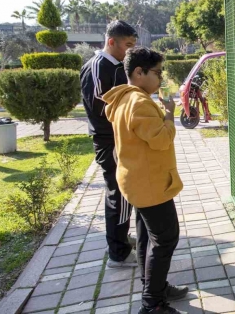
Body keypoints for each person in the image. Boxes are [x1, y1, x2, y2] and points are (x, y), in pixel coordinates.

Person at [102, 47, 187, 314]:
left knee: (146, 239)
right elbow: (162, 139)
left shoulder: (125, 99)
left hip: (136, 181)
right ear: (139, 72)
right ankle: (152, 304)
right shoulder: (139, 102)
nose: (160, 79)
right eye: (157, 73)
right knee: (165, 239)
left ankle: (155, 288)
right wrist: (170, 114)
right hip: (150, 185)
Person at [80, 20, 138, 268]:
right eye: (127, 45)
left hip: (121, 138)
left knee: (125, 191)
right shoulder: (96, 66)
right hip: (109, 141)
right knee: (120, 193)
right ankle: (118, 253)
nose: (130, 50)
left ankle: (121, 239)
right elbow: (98, 105)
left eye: (133, 45)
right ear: (111, 41)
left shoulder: (118, 66)